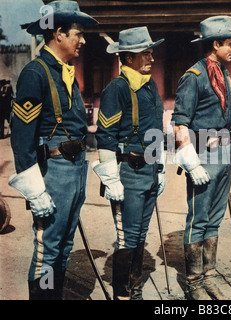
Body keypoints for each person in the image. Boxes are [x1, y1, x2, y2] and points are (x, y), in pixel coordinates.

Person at [8, 0, 97, 300]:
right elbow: (21, 137)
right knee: (48, 250)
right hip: (54, 173)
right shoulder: (36, 73)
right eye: (77, 34)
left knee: (64, 247)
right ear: (58, 33)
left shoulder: (64, 71)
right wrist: (35, 191)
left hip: (75, 169)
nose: (82, 40)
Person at [172, 15, 231, 300]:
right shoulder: (193, 77)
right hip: (203, 155)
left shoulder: (224, 73)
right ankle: (193, 281)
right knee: (198, 219)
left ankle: (209, 276)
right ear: (215, 44)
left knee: (214, 219)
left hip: (225, 153)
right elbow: (180, 124)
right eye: (230, 44)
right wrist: (190, 162)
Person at [93, 27, 165, 300]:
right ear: (128, 58)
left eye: (151, 52)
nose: (151, 58)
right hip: (128, 173)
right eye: (145, 53)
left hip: (149, 171)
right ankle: (122, 295)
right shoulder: (116, 88)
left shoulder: (150, 85)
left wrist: (160, 167)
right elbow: (105, 136)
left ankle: (134, 288)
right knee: (127, 236)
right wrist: (111, 178)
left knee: (141, 233)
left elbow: (157, 129)